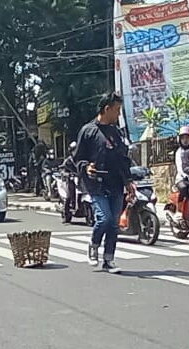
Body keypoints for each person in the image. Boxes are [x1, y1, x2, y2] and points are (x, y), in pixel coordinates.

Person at [72, 92, 136, 273]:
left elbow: (123, 159)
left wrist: (128, 181)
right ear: (106, 109)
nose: (118, 114)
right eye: (116, 110)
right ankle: (94, 244)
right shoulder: (88, 131)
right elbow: (78, 158)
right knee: (104, 218)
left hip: (116, 183)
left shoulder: (116, 132)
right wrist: (86, 168)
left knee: (114, 223)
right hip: (96, 184)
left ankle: (109, 259)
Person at [60, 141, 79, 224]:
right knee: (68, 196)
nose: (76, 151)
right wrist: (67, 174)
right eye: (74, 150)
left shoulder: (80, 159)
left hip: (80, 180)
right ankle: (66, 212)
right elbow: (62, 170)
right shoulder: (68, 161)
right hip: (70, 180)